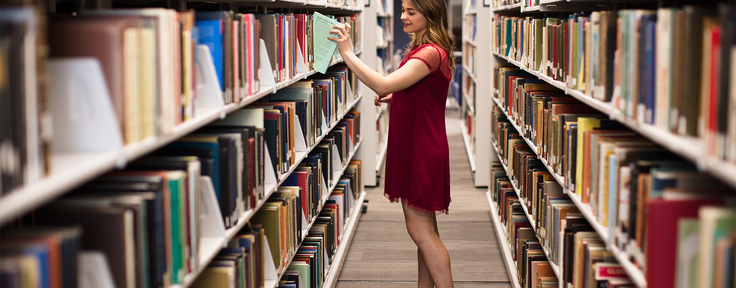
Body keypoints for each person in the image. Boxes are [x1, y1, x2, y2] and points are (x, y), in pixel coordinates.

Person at [329, 0, 455, 286]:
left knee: (421, 232)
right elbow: (419, 91)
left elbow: (383, 83)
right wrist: (399, 97)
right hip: (415, 144)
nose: (402, 17)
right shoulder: (423, 50)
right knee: (425, 232)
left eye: (411, 12)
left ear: (430, 14)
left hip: (421, 149)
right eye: (402, 10)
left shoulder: (431, 52)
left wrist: (347, 53)